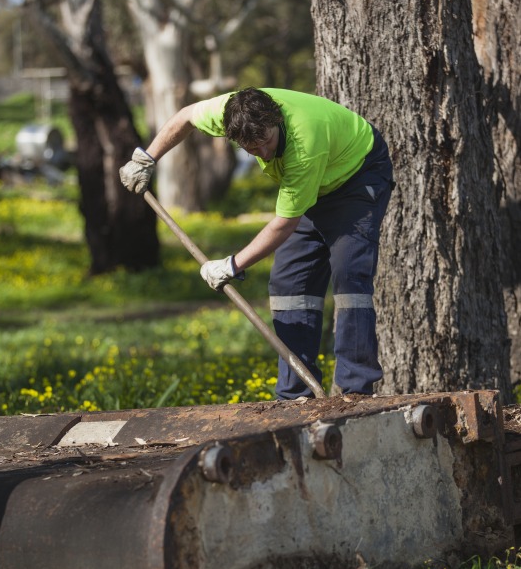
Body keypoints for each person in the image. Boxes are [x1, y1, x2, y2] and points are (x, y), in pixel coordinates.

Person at [119, 88, 394, 400]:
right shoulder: (228, 113)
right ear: (233, 135)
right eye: (252, 148)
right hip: (314, 185)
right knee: (289, 282)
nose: (262, 152)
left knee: (348, 273)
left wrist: (233, 265)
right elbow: (185, 117)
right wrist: (146, 157)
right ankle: (296, 393)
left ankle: (355, 388)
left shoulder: (304, 145)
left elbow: (284, 224)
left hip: (358, 176)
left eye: (267, 141)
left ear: (275, 119)